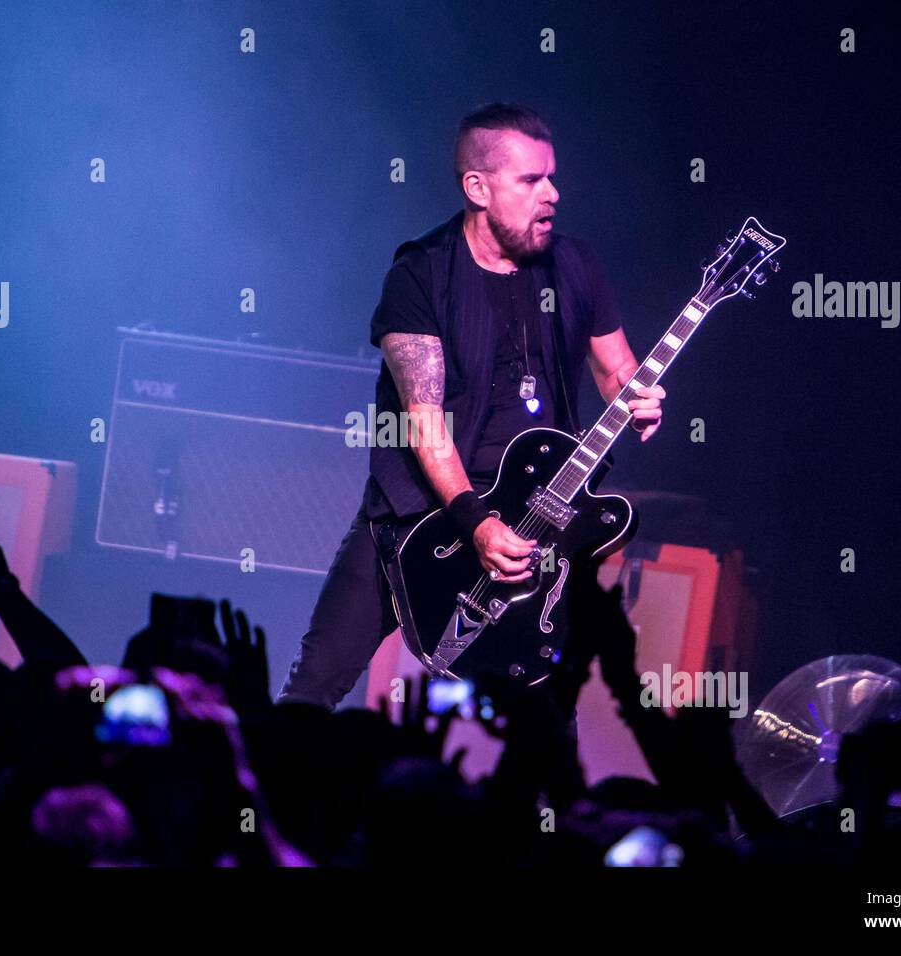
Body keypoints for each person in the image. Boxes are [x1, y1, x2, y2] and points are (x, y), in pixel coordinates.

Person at [278, 103, 664, 709]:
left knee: (536, 718)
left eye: (552, 176)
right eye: (531, 180)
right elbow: (424, 423)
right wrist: (477, 524)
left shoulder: (577, 265)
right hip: (425, 514)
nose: (553, 195)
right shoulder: (421, 274)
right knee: (315, 685)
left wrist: (637, 397)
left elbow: (616, 369)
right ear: (477, 187)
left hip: (539, 517)